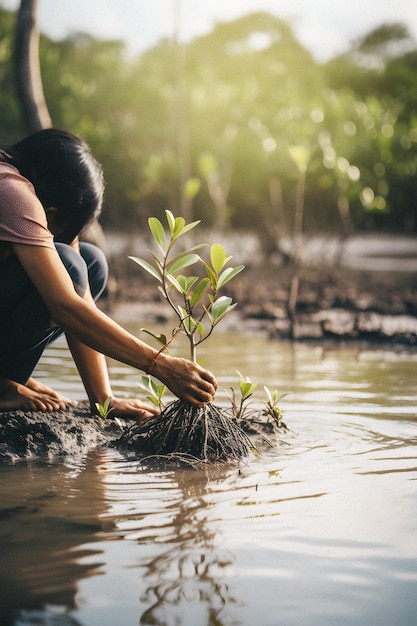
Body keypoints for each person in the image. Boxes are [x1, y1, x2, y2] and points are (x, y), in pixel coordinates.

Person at [0, 128, 217, 417]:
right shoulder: (12, 191)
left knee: (90, 264)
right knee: (66, 263)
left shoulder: (26, 183)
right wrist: (162, 365)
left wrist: (104, 399)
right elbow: (64, 305)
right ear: (50, 213)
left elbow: (80, 295)